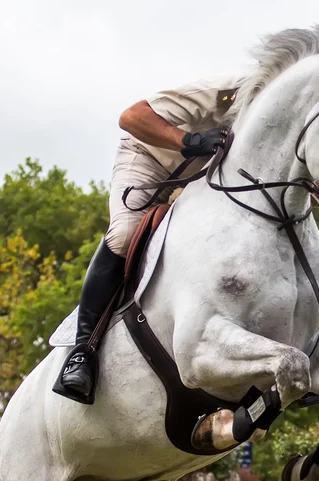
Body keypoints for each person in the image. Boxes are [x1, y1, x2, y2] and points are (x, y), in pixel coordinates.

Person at [59, 73, 245, 403]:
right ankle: (82, 352)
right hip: (149, 161)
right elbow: (131, 117)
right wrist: (191, 141)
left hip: (197, 186)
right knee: (126, 234)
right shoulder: (225, 92)